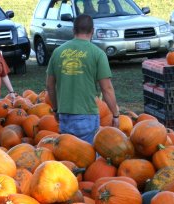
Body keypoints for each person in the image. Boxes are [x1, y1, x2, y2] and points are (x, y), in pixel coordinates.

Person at [46, 14, 119, 144]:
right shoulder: (98, 54)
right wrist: (115, 114)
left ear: (73, 30)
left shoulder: (57, 52)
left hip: (64, 114)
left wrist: (56, 109)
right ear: (92, 31)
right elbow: (106, 88)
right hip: (87, 115)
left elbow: (50, 85)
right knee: (86, 157)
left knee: (68, 156)